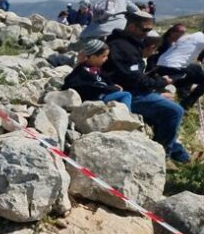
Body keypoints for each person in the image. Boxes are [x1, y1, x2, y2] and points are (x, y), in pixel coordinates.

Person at [102, 11, 189, 163]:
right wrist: (161, 83)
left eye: (150, 30)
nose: (147, 33)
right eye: (145, 29)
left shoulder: (127, 43)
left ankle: (179, 154)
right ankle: (162, 155)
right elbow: (134, 79)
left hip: (132, 90)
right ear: (131, 26)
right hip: (129, 94)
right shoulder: (123, 48)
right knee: (175, 111)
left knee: (164, 112)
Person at [63, 39, 132, 109]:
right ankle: (126, 114)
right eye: (104, 56)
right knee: (126, 95)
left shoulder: (96, 69)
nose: (107, 58)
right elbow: (92, 87)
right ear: (93, 57)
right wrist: (112, 88)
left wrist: (112, 86)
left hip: (103, 94)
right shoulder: (81, 71)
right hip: (96, 98)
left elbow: (105, 81)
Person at [155, 28, 204, 109]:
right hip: (174, 68)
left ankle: (182, 92)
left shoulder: (189, 36)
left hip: (160, 66)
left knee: (195, 69)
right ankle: (186, 104)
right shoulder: (202, 39)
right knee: (197, 72)